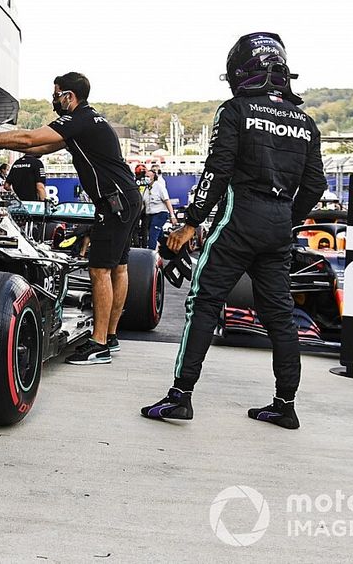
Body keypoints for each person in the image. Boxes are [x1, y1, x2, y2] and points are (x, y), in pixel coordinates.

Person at [141, 32, 325, 429]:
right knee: (280, 317)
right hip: (279, 224)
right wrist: (287, 220)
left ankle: (180, 397)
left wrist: (190, 222)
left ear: (242, 71)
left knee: (203, 303)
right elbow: (315, 187)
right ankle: (285, 405)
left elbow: (217, 172)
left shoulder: (235, 110)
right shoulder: (306, 122)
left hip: (240, 217)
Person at [0, 71, 141, 364]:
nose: (53, 99)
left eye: (56, 94)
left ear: (69, 96)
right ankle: (111, 336)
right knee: (118, 267)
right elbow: (39, 147)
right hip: (126, 198)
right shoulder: (89, 122)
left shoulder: (77, 119)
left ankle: (99, 343)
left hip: (114, 201)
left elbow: (30, 137)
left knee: (99, 270)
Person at [141, 169, 178, 250]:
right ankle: (170, 248)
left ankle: (151, 257)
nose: (145, 178)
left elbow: (167, 201)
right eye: (145, 176)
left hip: (160, 214)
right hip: (150, 215)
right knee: (160, 236)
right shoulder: (146, 189)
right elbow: (143, 204)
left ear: (153, 177)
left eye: (148, 176)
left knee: (152, 234)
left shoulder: (159, 187)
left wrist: (172, 216)